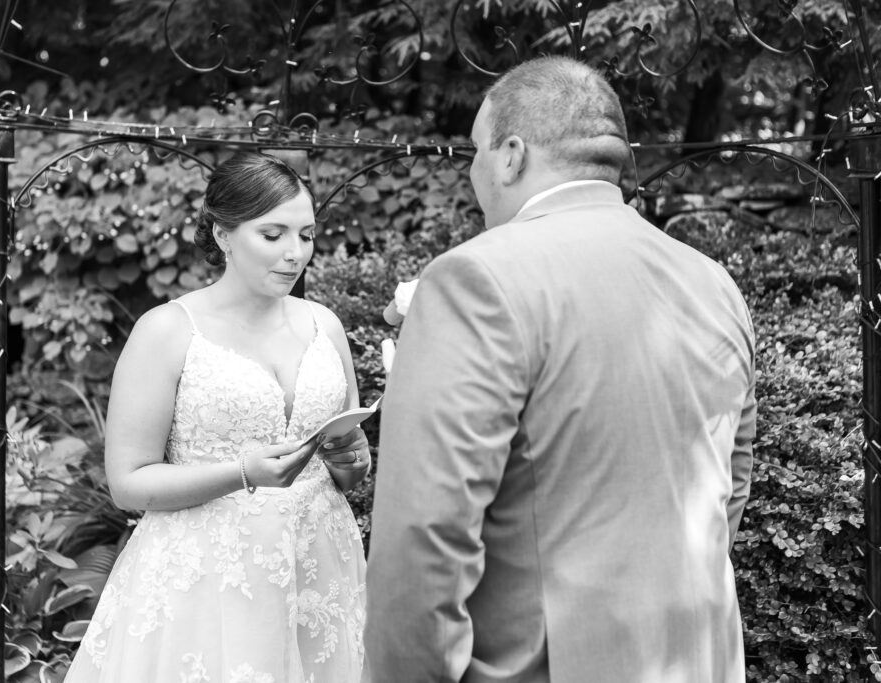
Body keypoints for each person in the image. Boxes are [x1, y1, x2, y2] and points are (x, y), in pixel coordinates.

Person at [365, 56, 756, 682]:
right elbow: (730, 485)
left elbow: (424, 538)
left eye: (475, 151)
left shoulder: (475, 279)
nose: (472, 171)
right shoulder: (713, 283)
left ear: (511, 155)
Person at [64, 151, 371, 683]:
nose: (294, 254)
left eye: (307, 235)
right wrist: (242, 473)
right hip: (209, 577)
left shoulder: (326, 325)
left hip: (321, 566)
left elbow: (345, 468)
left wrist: (355, 461)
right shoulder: (167, 331)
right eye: (272, 235)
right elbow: (128, 483)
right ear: (223, 234)